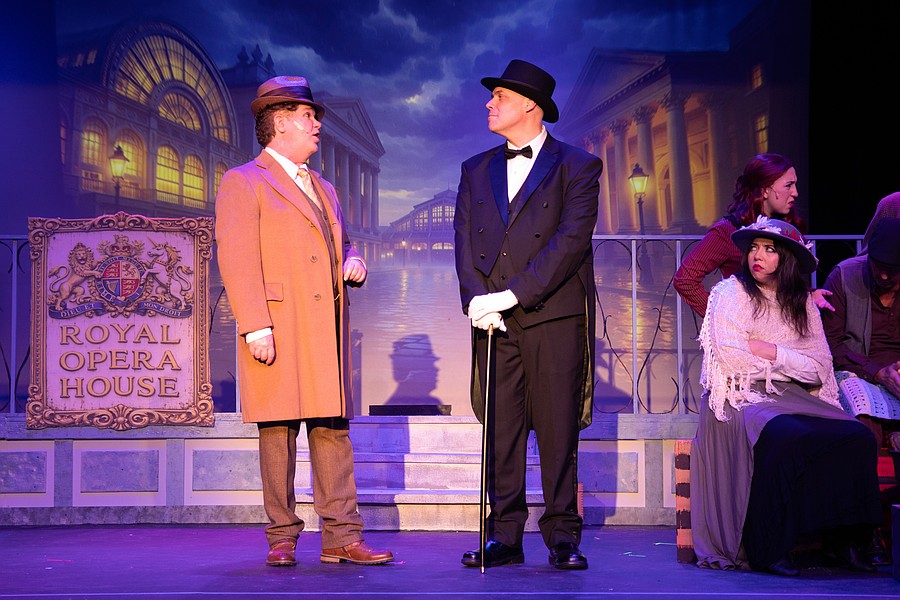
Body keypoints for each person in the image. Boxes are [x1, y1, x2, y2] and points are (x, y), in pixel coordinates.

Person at [214, 75, 392, 567]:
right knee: (277, 432)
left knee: (332, 430)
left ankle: (341, 537)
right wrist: (255, 325)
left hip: (324, 328)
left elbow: (344, 242)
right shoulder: (244, 180)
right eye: (308, 116)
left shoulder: (325, 187)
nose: (317, 124)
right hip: (277, 323)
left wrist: (352, 259)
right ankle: (282, 536)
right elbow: (237, 259)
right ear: (280, 123)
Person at [453, 59, 603, 570]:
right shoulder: (475, 168)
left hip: (553, 317)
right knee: (502, 433)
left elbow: (569, 244)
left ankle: (562, 535)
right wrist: (477, 301)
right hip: (494, 322)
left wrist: (510, 295)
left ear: (530, 105)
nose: (489, 103)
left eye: (499, 96)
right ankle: (504, 534)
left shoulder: (578, 166)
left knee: (558, 431)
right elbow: (463, 243)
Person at [690, 216, 882, 576]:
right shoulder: (729, 294)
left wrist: (772, 351)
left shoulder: (801, 303)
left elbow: (819, 367)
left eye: (769, 250)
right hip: (738, 398)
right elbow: (733, 360)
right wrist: (791, 363)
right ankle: (769, 548)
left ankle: (846, 541)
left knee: (857, 436)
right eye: (754, 248)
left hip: (794, 397)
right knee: (785, 436)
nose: (757, 256)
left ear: (788, 259)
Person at [674, 154, 815, 318]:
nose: (795, 193)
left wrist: (809, 295)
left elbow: (784, 282)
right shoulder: (728, 230)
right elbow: (685, 279)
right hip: (750, 329)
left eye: (795, 184)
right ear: (765, 190)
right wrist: (721, 319)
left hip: (786, 325)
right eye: (789, 185)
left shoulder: (785, 228)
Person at [821, 217, 900, 450]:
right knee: (863, 429)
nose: (883, 276)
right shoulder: (844, 276)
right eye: (878, 266)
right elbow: (830, 344)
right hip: (858, 373)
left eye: (892, 270)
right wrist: (878, 373)